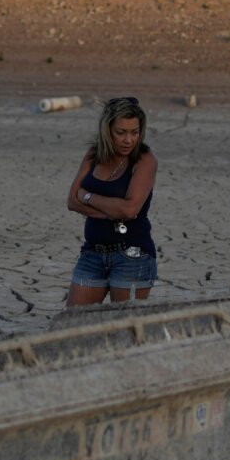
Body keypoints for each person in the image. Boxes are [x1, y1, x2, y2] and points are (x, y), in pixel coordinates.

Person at [66, 96, 159, 306]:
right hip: (92, 254)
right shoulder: (93, 155)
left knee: (125, 327)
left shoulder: (144, 159)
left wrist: (88, 197)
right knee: (73, 323)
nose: (129, 140)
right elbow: (72, 201)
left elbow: (129, 210)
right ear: (107, 130)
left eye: (134, 133)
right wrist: (111, 211)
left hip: (132, 256)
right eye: (121, 132)